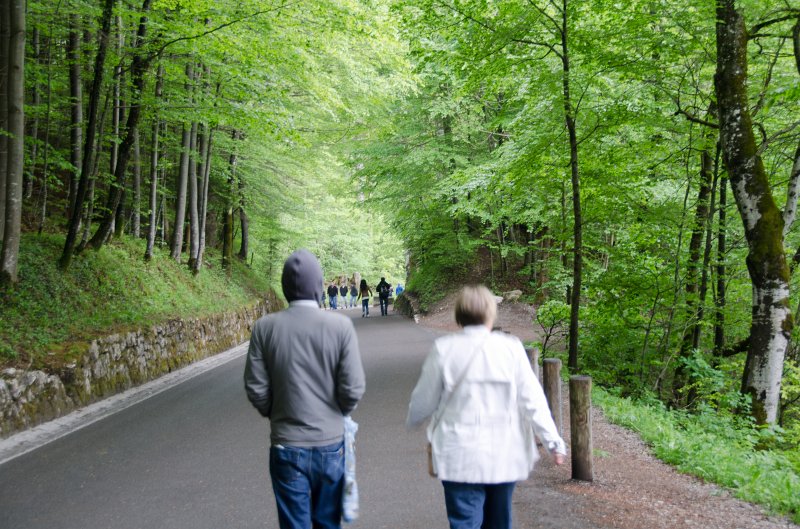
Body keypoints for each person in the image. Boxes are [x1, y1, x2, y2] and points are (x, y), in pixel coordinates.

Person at [406, 285, 566, 529]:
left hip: (458, 454)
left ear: (459, 315)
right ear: (491, 314)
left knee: (464, 521)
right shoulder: (511, 348)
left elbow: (423, 400)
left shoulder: (444, 349)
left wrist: (413, 419)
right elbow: (532, 400)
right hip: (504, 454)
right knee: (499, 521)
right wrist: (553, 441)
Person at [244, 249, 366, 529]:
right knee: (327, 523)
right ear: (320, 286)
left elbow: (256, 386)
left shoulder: (264, 328)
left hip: (286, 444)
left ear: (285, 287)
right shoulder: (340, 327)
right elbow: (353, 386)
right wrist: (339, 412)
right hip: (331, 444)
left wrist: (275, 412)